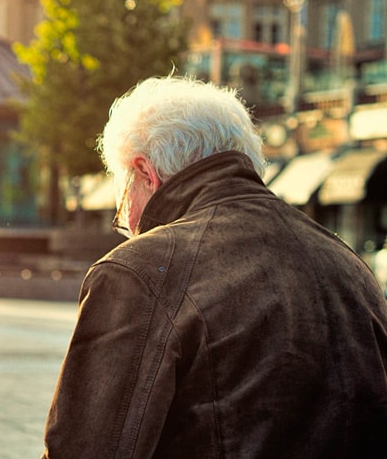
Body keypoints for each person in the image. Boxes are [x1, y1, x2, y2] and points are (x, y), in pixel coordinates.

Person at [42, 77, 387, 458]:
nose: (129, 223)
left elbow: (85, 450)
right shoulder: (349, 266)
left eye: (123, 198)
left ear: (145, 173)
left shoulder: (139, 271)